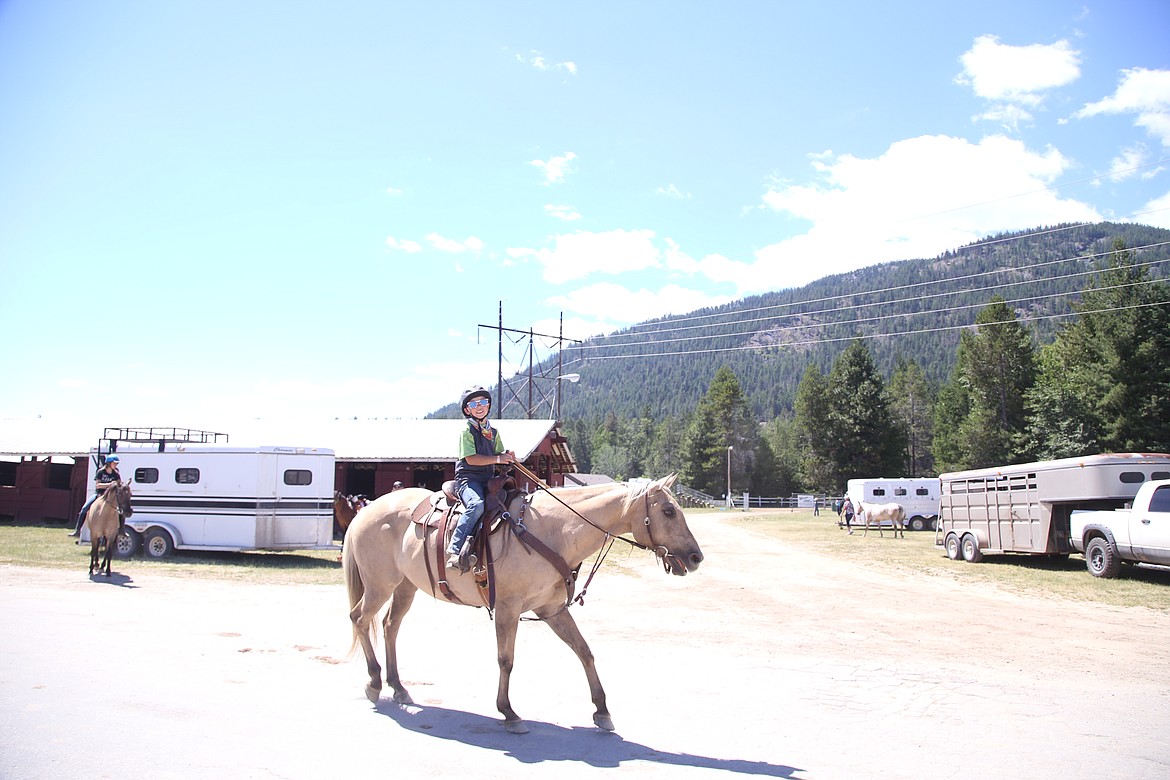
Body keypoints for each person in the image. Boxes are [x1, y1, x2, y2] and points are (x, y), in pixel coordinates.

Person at [447, 386, 514, 570]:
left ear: (488, 405)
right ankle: (455, 549)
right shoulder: (466, 431)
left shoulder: (493, 432)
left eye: (483, 402)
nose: (479, 406)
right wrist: (498, 458)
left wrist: (506, 457)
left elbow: (498, 453)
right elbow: (471, 459)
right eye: (474, 403)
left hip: (488, 478)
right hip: (468, 480)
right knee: (476, 505)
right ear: (467, 409)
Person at [69, 455, 122, 537]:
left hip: (110, 497)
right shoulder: (101, 472)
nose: (116, 465)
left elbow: (119, 484)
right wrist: (109, 484)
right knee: (84, 508)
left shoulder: (116, 474)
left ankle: (122, 530)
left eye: (116, 464)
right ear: (109, 463)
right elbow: (97, 485)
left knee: (121, 510)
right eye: (114, 463)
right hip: (99, 494)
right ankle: (78, 530)